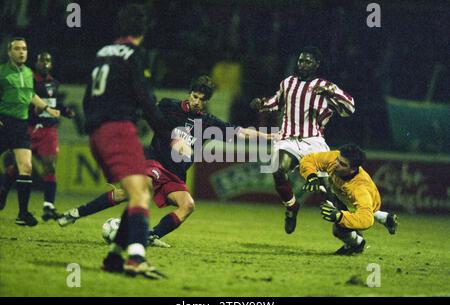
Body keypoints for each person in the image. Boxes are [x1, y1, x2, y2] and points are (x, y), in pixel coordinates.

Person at [58, 75, 272, 247]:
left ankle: (151, 235)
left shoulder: (208, 123)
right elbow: (144, 111)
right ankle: (77, 213)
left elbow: (240, 132)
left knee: (188, 205)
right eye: (194, 96)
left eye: (201, 99)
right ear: (189, 94)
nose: (196, 101)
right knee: (136, 191)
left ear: (207, 101)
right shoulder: (169, 106)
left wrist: (267, 136)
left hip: (175, 175)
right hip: (155, 163)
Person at [82, 4, 174, 279]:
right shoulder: (135, 55)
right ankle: (136, 258)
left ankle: (113, 257)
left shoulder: (102, 53)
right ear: (143, 30)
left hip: (97, 133)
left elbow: (88, 99)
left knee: (137, 192)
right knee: (140, 194)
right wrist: (168, 136)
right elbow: (146, 100)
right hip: (119, 130)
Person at [249, 46, 355, 234]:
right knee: (278, 168)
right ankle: (291, 207)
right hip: (288, 139)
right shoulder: (287, 83)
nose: (302, 64)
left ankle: (352, 235)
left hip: (314, 141)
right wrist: (262, 104)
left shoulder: (325, 86)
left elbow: (350, 108)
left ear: (316, 64)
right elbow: (276, 101)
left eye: (307, 61)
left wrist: (331, 93)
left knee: (327, 193)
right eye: (300, 61)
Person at [0, 52, 75, 221]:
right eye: (42, 60)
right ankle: (4, 191)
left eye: (48, 60)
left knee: (50, 166)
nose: (45, 63)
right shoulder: (28, 78)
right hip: (29, 128)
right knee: (18, 166)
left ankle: (48, 206)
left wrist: (64, 111)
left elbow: (54, 101)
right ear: (36, 62)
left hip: (48, 130)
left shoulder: (54, 82)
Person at [300, 144, 398, 255]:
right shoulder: (335, 158)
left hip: (365, 203)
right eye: (338, 160)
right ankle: (384, 218)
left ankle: (357, 244)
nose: (336, 164)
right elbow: (308, 160)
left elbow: (366, 219)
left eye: (342, 164)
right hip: (341, 194)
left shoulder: (360, 189)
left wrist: (340, 216)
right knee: (324, 190)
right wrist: (311, 177)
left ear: (352, 169)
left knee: (339, 230)